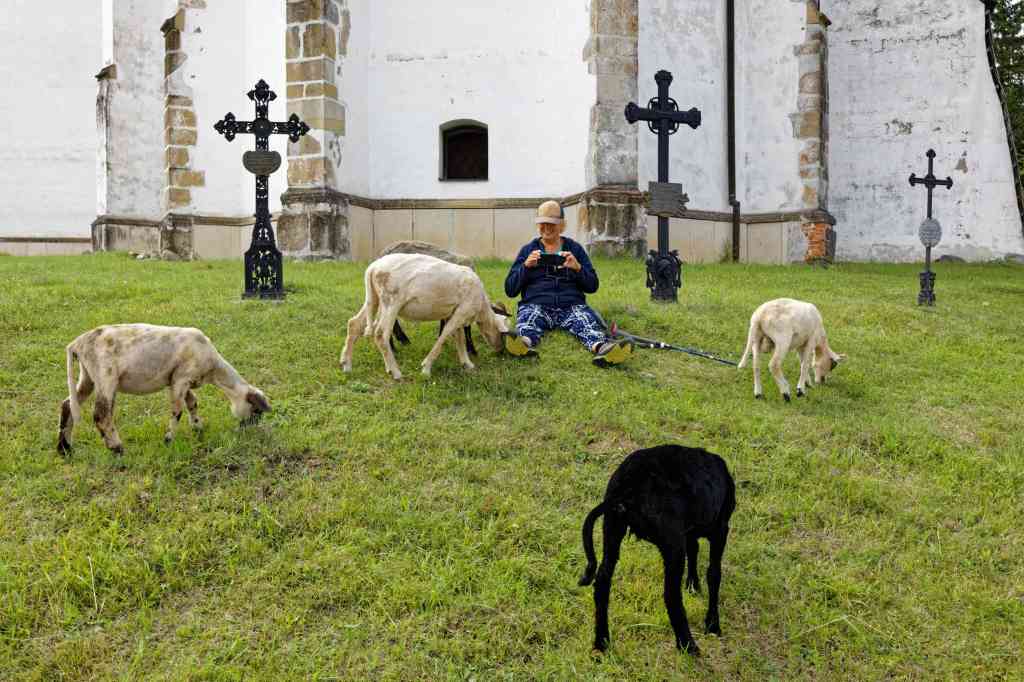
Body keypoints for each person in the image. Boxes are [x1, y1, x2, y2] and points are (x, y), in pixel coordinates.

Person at [503, 200, 633, 367]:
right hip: (536, 304)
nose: (546, 227)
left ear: (562, 225)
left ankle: (602, 349)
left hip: (571, 305)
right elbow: (510, 289)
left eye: (552, 223)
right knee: (529, 318)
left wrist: (578, 268)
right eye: (542, 223)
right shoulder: (528, 250)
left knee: (584, 320)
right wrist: (525, 267)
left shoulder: (575, 249)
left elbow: (592, 286)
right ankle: (523, 344)